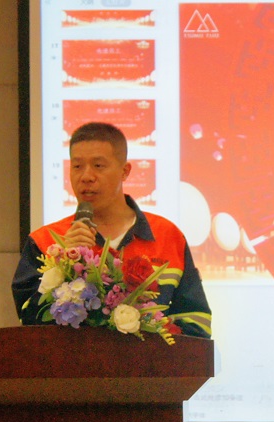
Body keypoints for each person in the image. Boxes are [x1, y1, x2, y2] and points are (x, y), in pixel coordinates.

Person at [12, 122, 212, 338]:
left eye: (98, 165)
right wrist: (63, 267)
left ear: (125, 171)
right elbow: (28, 322)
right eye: (77, 166)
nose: (86, 176)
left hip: (151, 360)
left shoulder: (167, 236)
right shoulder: (45, 242)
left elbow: (196, 323)